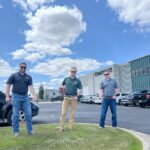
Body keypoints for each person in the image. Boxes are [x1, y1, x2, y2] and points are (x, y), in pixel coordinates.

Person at [6, 62, 37, 136]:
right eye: (21, 67)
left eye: (24, 67)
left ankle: (29, 131)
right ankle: (16, 131)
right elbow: (8, 85)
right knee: (16, 115)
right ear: (19, 67)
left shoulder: (28, 77)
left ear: (26, 68)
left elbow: (31, 87)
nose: (23, 68)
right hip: (16, 96)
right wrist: (7, 96)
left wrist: (34, 95)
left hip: (25, 97)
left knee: (29, 114)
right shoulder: (13, 76)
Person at [59, 67, 82, 132]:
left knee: (72, 114)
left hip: (73, 99)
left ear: (76, 72)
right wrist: (62, 88)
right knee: (63, 113)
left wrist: (77, 96)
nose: (73, 72)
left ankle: (71, 127)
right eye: (72, 71)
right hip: (66, 98)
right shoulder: (66, 79)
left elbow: (80, 90)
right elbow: (62, 85)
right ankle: (61, 127)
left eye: (74, 71)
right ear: (70, 72)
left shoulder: (78, 81)